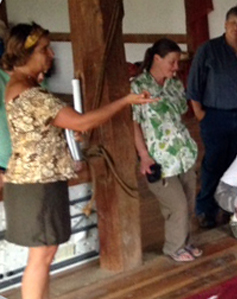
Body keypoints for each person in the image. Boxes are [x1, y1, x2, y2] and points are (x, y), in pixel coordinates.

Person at [2, 23, 155, 299]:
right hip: (35, 184)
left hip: (39, 181)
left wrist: (64, 133)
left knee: (44, 255)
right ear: (25, 54)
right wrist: (125, 101)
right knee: (41, 256)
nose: (51, 54)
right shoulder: (30, 93)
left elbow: (48, 129)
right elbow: (82, 123)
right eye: (44, 49)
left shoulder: (26, 85)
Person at [187, 5, 237, 228]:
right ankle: (206, 209)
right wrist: (200, 113)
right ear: (225, 24)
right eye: (233, 22)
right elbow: (194, 85)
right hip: (216, 116)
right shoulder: (209, 50)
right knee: (214, 162)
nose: (236, 27)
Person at [131, 38, 202, 262]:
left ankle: (185, 242)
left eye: (177, 63)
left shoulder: (175, 84)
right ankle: (173, 247)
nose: (176, 67)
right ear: (157, 58)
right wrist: (144, 156)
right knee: (176, 205)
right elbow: (134, 124)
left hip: (182, 153)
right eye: (172, 62)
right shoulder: (137, 86)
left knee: (189, 201)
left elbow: (181, 112)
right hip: (158, 158)